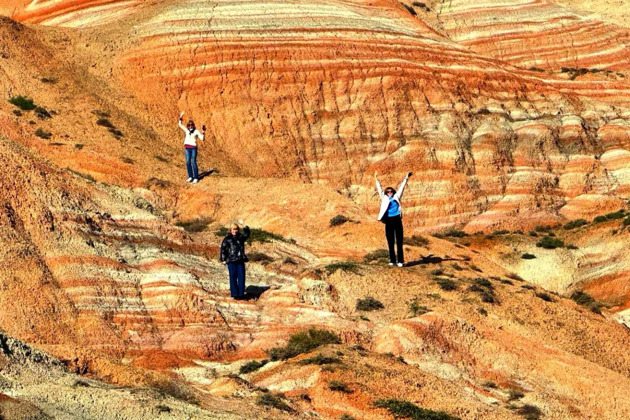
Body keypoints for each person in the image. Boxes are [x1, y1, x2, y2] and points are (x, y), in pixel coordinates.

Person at [375, 171, 412, 267]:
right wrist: (376, 179)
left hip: (397, 220)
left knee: (399, 241)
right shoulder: (384, 198)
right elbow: (379, 189)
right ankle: (392, 260)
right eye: (388, 192)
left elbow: (402, 187)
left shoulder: (397, 196)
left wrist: (406, 177)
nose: (389, 193)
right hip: (389, 220)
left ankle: (400, 261)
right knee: (390, 241)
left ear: (393, 192)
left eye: (391, 191)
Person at [220, 221, 251, 299]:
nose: (235, 231)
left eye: (236, 229)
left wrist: (244, 225)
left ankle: (241, 294)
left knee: (241, 277)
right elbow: (223, 249)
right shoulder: (227, 239)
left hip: (240, 260)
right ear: (230, 230)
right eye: (233, 229)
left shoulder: (241, 237)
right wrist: (223, 259)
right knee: (233, 277)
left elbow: (247, 234)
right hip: (231, 261)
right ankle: (235, 294)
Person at [178, 111, 205, 183]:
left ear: (193, 125)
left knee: (193, 161)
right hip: (187, 148)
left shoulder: (196, 131)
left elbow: (202, 138)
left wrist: (203, 132)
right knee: (187, 162)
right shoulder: (187, 130)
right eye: (189, 125)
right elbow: (180, 125)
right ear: (187, 126)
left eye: (191, 125)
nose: (190, 126)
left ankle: (196, 177)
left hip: (193, 148)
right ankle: (190, 176)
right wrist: (181, 116)